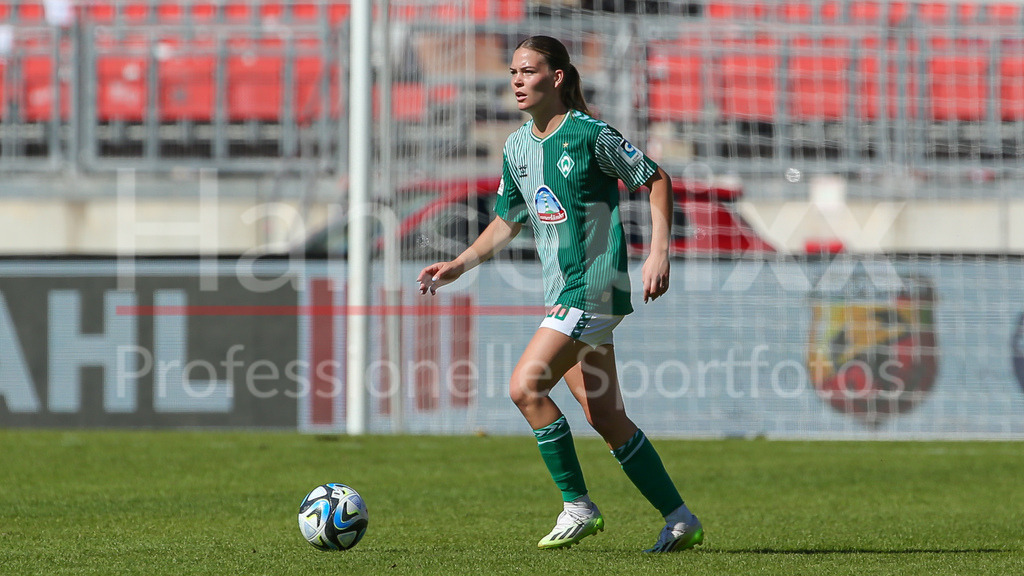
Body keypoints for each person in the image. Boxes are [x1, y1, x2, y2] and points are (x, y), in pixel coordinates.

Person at [417, 35, 702, 553]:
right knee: (604, 415)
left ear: (557, 77)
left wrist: (659, 252)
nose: (517, 81)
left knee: (525, 387)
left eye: (528, 71)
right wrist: (460, 264)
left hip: (592, 286)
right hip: (563, 293)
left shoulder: (590, 135)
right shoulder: (517, 147)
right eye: (512, 72)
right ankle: (680, 518)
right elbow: (508, 219)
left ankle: (578, 505)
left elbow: (657, 179)